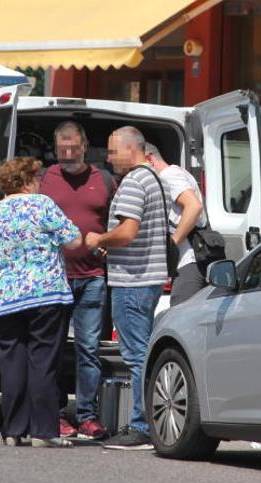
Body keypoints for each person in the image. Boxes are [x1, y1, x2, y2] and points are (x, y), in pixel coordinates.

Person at [0, 156, 81, 448]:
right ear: (27, 182)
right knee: (43, 362)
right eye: (37, 178)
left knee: (12, 363)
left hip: (8, 298)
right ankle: (43, 431)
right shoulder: (42, 205)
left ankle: (13, 430)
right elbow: (74, 239)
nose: (40, 183)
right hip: (45, 294)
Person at [84, 126, 167, 450]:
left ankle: (141, 427)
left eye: (113, 150)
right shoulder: (151, 178)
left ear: (132, 149)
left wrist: (100, 239)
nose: (108, 157)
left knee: (136, 356)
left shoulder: (134, 181)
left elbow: (129, 231)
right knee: (141, 352)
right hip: (144, 278)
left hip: (133, 281)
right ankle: (147, 423)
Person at [39, 121, 114, 441]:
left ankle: (87, 416)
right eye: (61, 150)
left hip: (93, 277)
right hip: (54, 277)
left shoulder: (104, 180)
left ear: (85, 147)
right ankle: (54, 414)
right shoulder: (44, 179)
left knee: (88, 349)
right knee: (52, 349)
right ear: (56, 150)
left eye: (73, 149)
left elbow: (116, 220)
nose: (68, 155)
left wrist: (110, 246)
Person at [144, 142, 207, 306]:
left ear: (148, 158)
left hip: (187, 261)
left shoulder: (168, 176)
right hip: (191, 260)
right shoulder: (178, 172)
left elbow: (194, 206)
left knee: (181, 319)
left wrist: (172, 245)